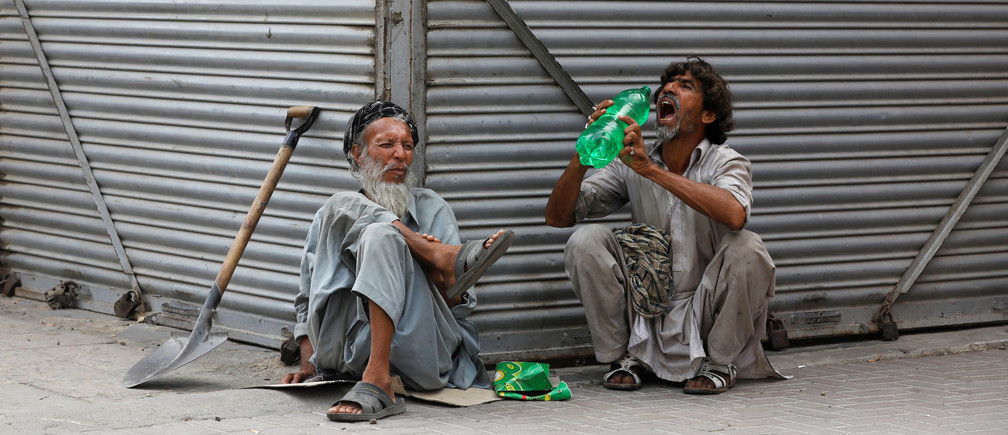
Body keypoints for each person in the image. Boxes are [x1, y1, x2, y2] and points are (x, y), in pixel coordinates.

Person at [545, 57, 786, 394]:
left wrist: (651, 171)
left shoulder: (726, 161)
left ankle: (719, 362)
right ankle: (624, 358)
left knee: (748, 248)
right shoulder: (631, 160)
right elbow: (558, 217)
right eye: (666, 86)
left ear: (708, 115)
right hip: (647, 307)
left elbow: (734, 214)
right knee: (585, 240)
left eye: (685, 86)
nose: (667, 90)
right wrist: (584, 151)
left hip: (706, 309)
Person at [283, 100, 514, 421]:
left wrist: (431, 274)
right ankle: (438, 254)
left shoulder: (432, 207)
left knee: (381, 234)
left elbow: (456, 305)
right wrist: (309, 365)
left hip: (419, 353)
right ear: (358, 153)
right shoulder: (332, 215)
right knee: (344, 207)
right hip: (346, 354)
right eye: (387, 144)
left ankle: (378, 377)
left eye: (407, 145)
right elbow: (307, 300)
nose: (400, 154)